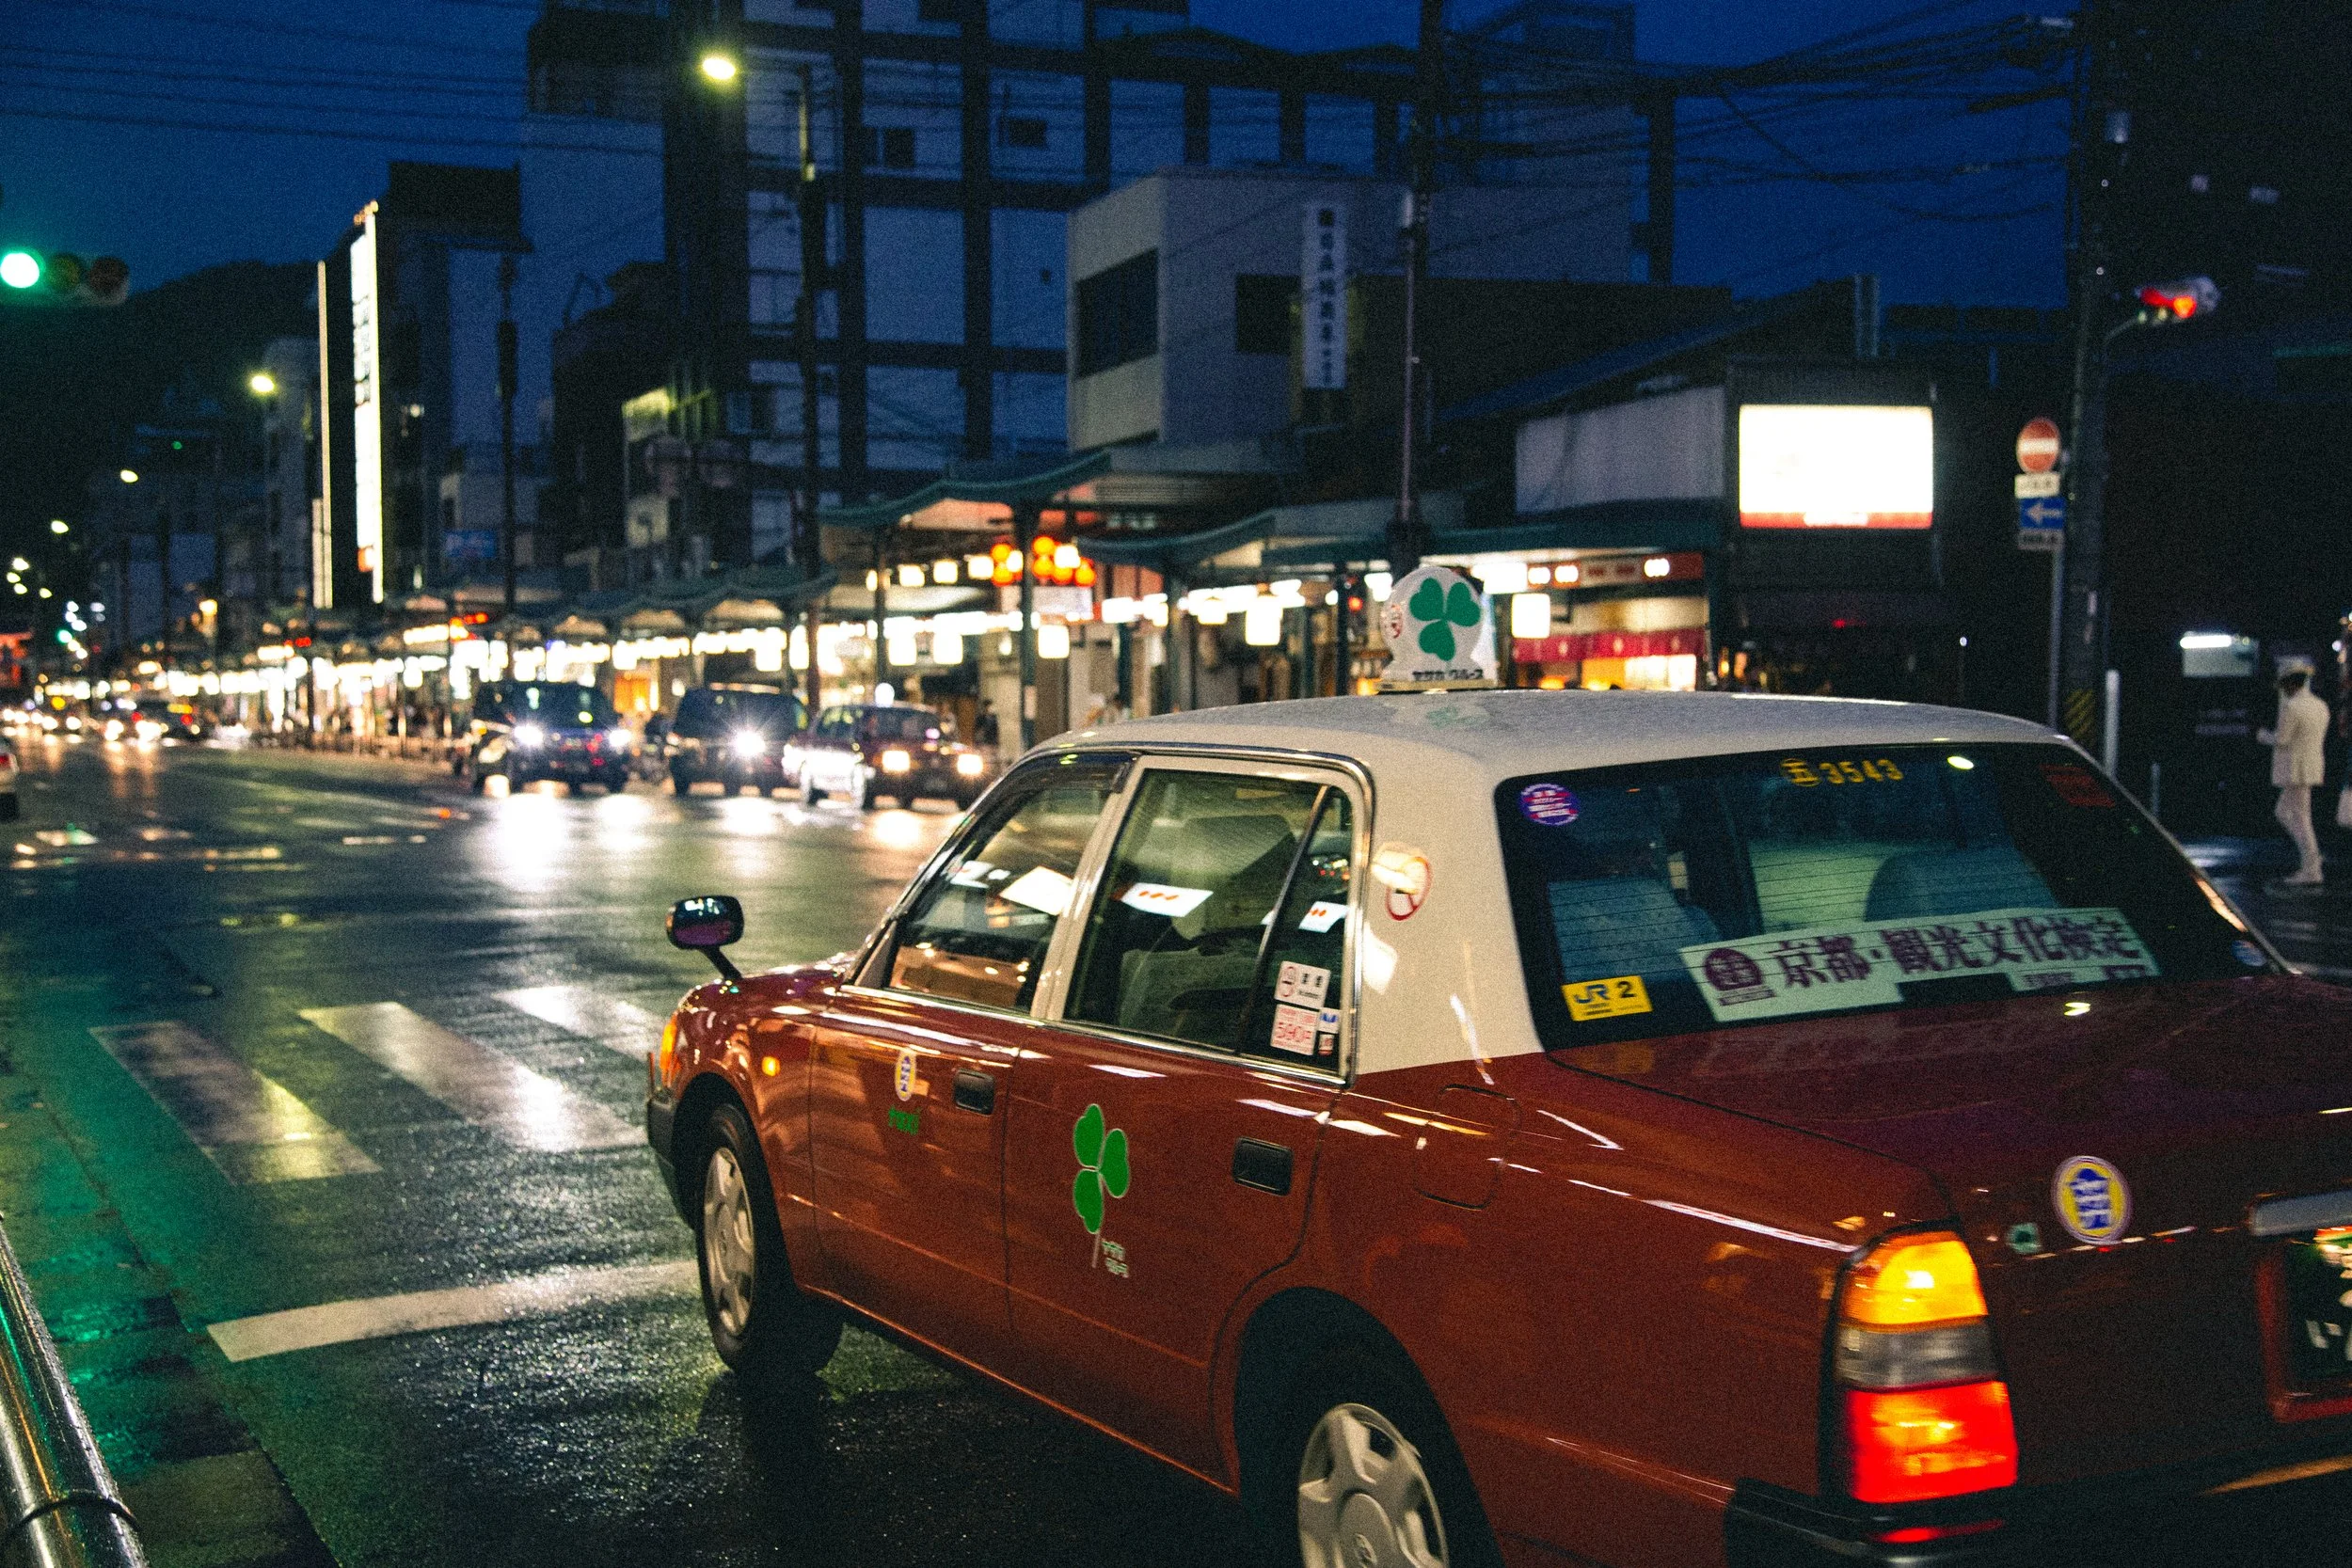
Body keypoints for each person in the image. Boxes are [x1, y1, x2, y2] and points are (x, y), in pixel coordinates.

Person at [2257, 662, 2329, 886]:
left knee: (2297, 817)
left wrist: (2262, 735)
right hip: (2311, 766)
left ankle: (2312, 864)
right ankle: (2311, 861)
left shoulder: (2292, 707)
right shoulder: (2320, 705)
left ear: (2290, 684)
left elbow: (2282, 739)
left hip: (2294, 769)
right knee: (2291, 814)